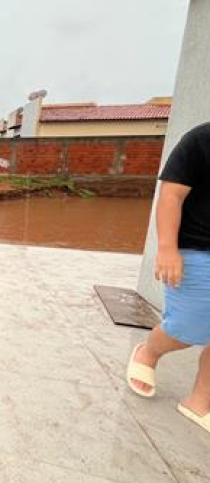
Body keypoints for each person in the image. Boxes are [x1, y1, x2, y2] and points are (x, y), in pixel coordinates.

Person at [128, 122, 210, 435]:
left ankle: (200, 400)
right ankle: (149, 351)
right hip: (197, 248)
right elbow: (171, 196)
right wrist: (167, 248)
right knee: (186, 328)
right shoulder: (201, 139)